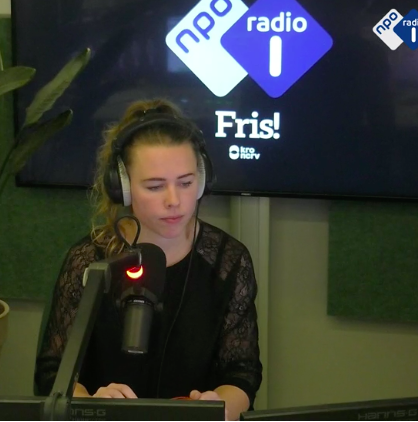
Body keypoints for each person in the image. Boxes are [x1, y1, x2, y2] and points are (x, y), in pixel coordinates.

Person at [34, 99, 262, 420]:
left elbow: (242, 373)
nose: (174, 200)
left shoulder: (229, 261)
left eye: (186, 183)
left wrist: (219, 407)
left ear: (202, 180)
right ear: (123, 188)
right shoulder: (90, 261)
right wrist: (90, 404)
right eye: (155, 186)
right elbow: (53, 371)